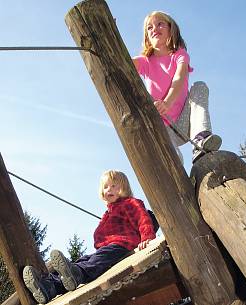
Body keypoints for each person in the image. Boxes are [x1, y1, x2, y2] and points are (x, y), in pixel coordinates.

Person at [22, 170, 156, 304]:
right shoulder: (108, 213)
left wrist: (147, 238)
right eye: (105, 186)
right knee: (83, 260)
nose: (108, 189)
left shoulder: (130, 203)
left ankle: (77, 273)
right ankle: (50, 287)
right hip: (106, 248)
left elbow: (143, 219)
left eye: (114, 185)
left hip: (122, 244)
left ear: (124, 188)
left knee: (95, 261)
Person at [133, 11, 222, 163]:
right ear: (147, 37)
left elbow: (180, 78)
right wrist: (108, 36)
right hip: (160, 125)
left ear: (171, 29)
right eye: (149, 27)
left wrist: (167, 102)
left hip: (183, 123)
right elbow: (123, 63)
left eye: (160, 24)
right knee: (172, 157)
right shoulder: (146, 62)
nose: (154, 28)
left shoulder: (180, 55)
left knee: (199, 86)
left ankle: (200, 139)